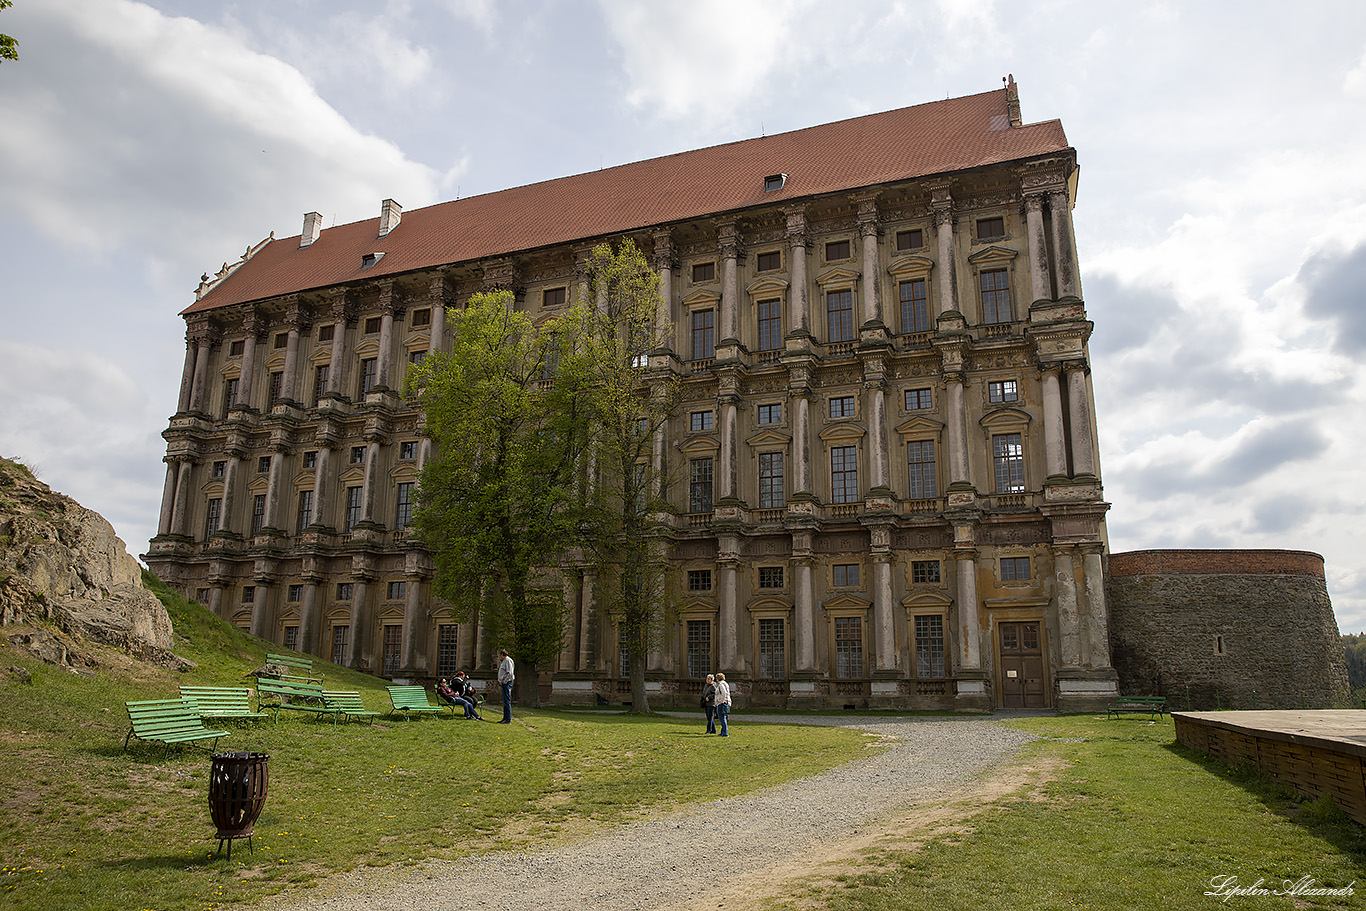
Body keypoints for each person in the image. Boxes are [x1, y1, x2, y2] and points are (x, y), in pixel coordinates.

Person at [496, 648, 515, 723]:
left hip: (506, 683)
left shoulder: (508, 661)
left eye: (500, 655)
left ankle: (507, 719)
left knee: (507, 701)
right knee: (505, 701)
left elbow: (509, 673)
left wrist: (505, 681)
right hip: (504, 683)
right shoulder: (505, 661)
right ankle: (505, 718)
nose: (499, 657)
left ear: (502, 655)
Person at [713, 672, 731, 737]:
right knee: (723, 718)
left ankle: (725, 733)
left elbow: (724, 693)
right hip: (726, 702)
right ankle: (723, 732)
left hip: (722, 703)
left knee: (722, 718)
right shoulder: (725, 684)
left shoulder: (721, 684)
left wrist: (721, 701)